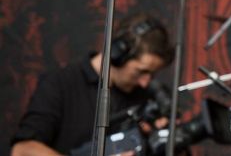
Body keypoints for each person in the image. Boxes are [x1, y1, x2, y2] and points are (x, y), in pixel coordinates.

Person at [11, 13, 174, 156]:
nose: (145, 82)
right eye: (140, 71)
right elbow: (23, 150)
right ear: (116, 54)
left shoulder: (146, 97)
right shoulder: (61, 83)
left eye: (152, 74)